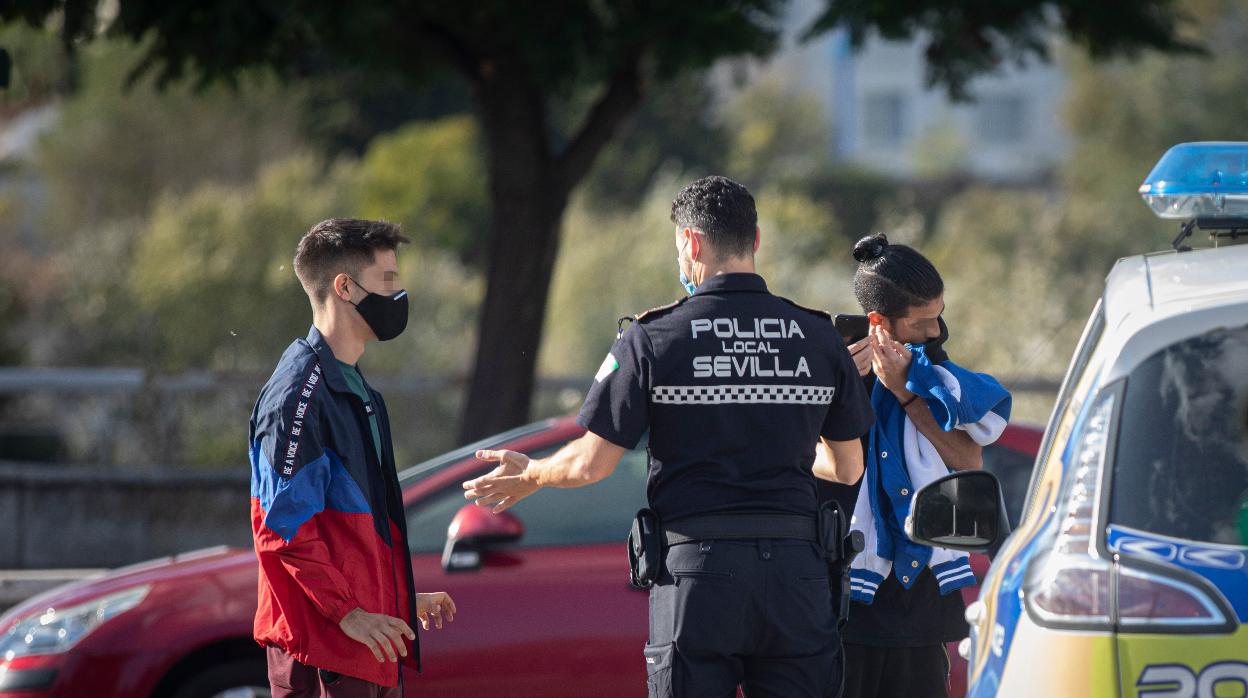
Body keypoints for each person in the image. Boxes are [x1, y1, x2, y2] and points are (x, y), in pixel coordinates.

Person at [462, 176, 874, 697]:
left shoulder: (652, 337)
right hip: (798, 576)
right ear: (757, 240)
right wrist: (784, 443)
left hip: (698, 576)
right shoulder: (818, 336)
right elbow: (846, 468)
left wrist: (535, 474)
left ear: (690, 242)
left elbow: (592, 464)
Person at [249, 218, 457, 698]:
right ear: (345, 287)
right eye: (389, 281)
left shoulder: (356, 387)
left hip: (367, 649)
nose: (400, 294)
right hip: (325, 654)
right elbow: (282, 531)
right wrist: (349, 613)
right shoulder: (299, 393)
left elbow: (351, 531)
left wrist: (399, 598)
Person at [816, 233, 1011, 698]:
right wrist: (838, 386)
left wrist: (906, 392)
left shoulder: (935, 377)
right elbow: (794, 455)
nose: (936, 331)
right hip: (838, 606)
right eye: (922, 321)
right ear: (878, 322)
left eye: (939, 315)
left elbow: (967, 458)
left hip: (919, 608)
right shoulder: (827, 373)